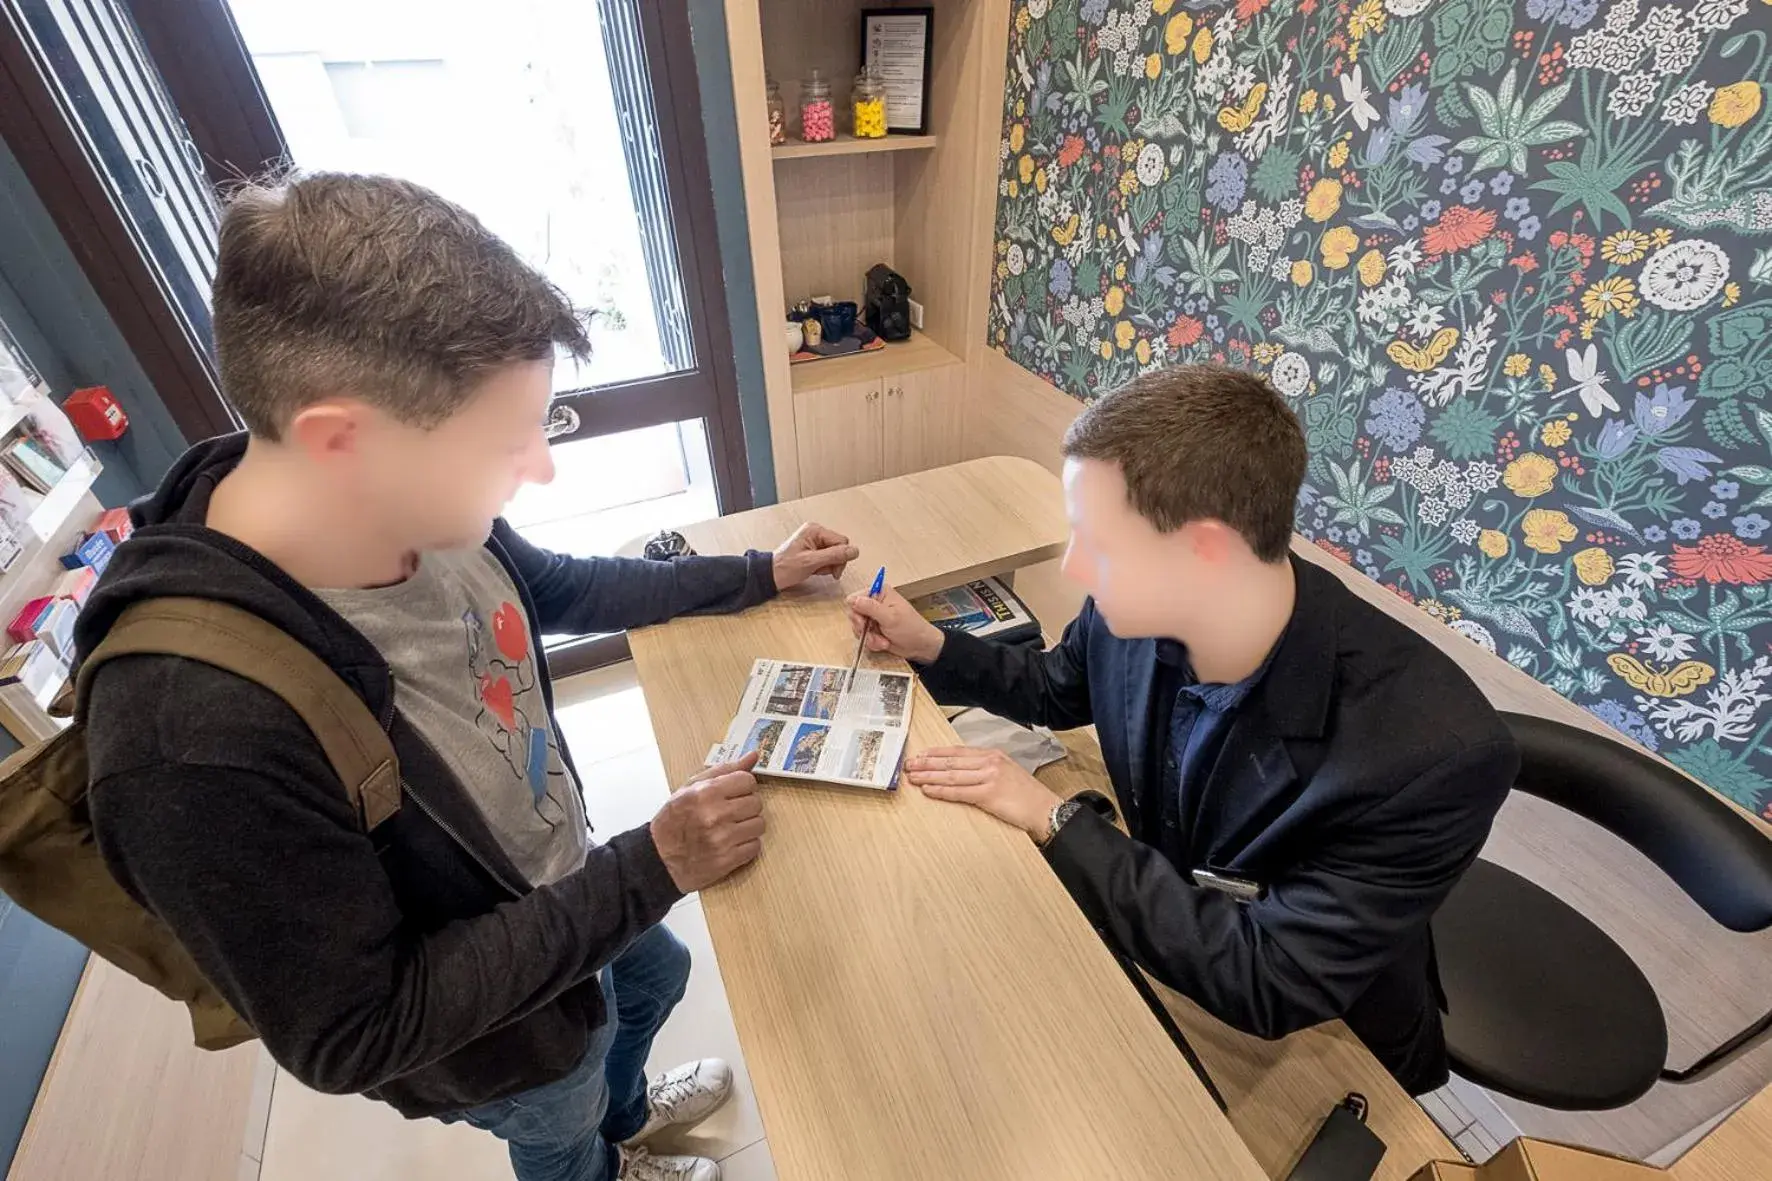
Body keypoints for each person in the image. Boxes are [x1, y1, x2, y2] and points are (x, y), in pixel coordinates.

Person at [78, 173, 860, 1181]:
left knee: (651, 982)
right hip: (497, 1033)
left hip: (565, 882)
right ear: (339, 439)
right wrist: (650, 864)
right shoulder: (185, 736)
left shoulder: (412, 508)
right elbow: (356, 1027)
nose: (536, 469)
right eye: (504, 441)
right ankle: (596, 1159)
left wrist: (755, 572)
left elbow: (556, 587)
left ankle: (621, 1125)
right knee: (559, 1112)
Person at [847, 365, 1518, 1094]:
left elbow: (1271, 977)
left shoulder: (1433, 754)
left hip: (1324, 1042)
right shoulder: (1134, 609)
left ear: (1203, 549)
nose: (1075, 566)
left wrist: (1055, 818)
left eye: (1096, 542)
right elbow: (1055, 685)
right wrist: (930, 644)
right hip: (1174, 940)